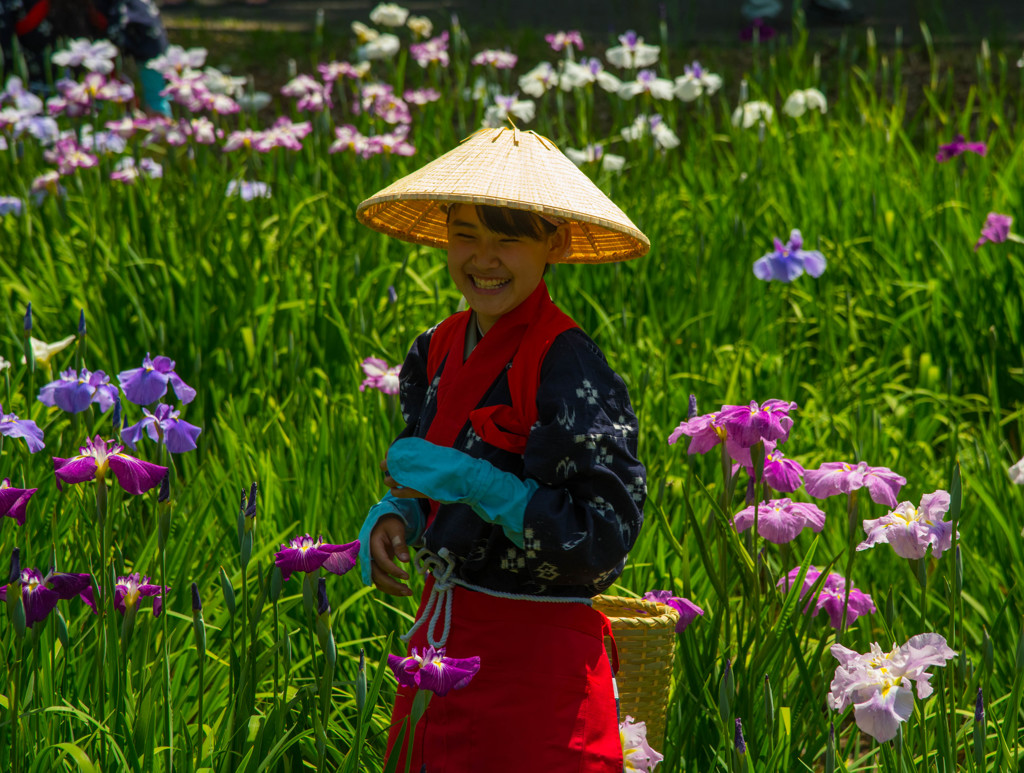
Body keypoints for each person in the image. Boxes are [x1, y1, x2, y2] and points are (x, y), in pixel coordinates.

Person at [355, 126, 650, 772]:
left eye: (509, 239)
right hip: (440, 645)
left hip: (537, 665)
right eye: (467, 235)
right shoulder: (435, 347)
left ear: (554, 244)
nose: (484, 258)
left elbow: (604, 534)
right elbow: (425, 472)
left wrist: (488, 488)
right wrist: (401, 515)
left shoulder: (568, 364)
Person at [0, 0, 171, 113]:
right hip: (31, 102)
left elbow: (149, 38)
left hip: (103, 99)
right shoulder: (18, 5)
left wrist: (155, 101)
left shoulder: (118, 5)